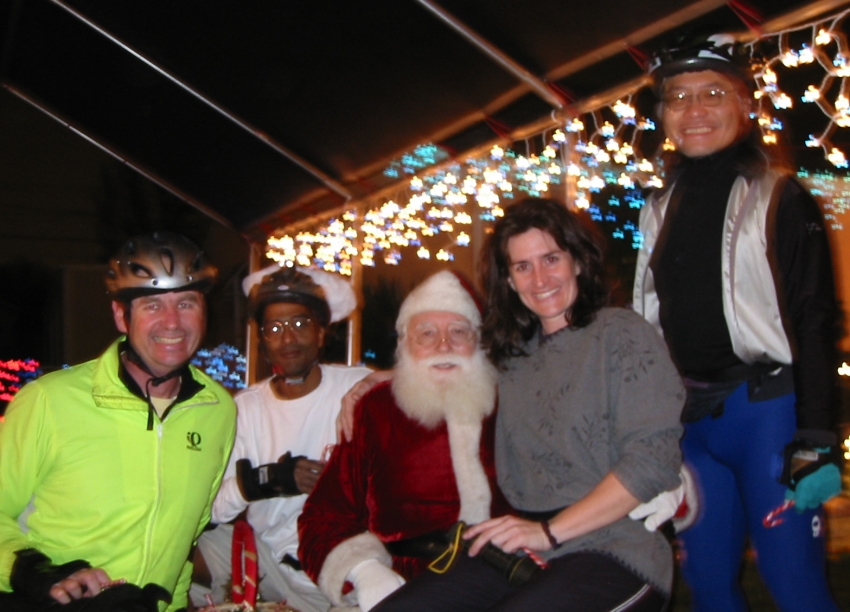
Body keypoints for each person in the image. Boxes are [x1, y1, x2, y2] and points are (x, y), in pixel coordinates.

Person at [366, 198, 684, 612]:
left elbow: (651, 458)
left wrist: (548, 532)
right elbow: (444, 371)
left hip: (614, 544)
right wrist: (367, 381)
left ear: (578, 262)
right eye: (523, 267)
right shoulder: (513, 358)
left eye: (551, 258)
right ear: (510, 282)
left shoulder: (620, 333)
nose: (540, 279)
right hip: (522, 546)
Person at [634, 33, 842, 611]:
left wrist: (819, 436)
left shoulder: (783, 196)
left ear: (744, 106)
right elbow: (647, 321)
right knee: (707, 587)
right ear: (663, 114)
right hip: (691, 427)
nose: (695, 110)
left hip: (767, 420)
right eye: (679, 97)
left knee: (794, 585)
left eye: (712, 93)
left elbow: (816, 316)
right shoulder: (656, 207)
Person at [0, 232, 237, 612]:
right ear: (120, 315)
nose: (173, 323)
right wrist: (35, 571)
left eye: (187, 303)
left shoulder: (219, 410)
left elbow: (184, 539)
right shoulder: (49, 400)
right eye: (152, 305)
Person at [297, 270, 508, 612]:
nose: (444, 345)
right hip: (400, 584)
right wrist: (364, 571)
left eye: (458, 331)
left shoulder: (510, 403)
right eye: (427, 333)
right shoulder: (375, 409)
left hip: (500, 580)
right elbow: (322, 517)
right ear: (405, 343)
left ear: (478, 341)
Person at [190, 266, 372, 612]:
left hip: (344, 567)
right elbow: (212, 509)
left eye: (301, 324)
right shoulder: (246, 409)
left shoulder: (356, 386)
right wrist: (268, 480)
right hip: (269, 564)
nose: (288, 339)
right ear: (263, 339)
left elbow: (431, 377)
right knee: (175, 552)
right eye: (275, 328)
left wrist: (381, 380)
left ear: (321, 333)